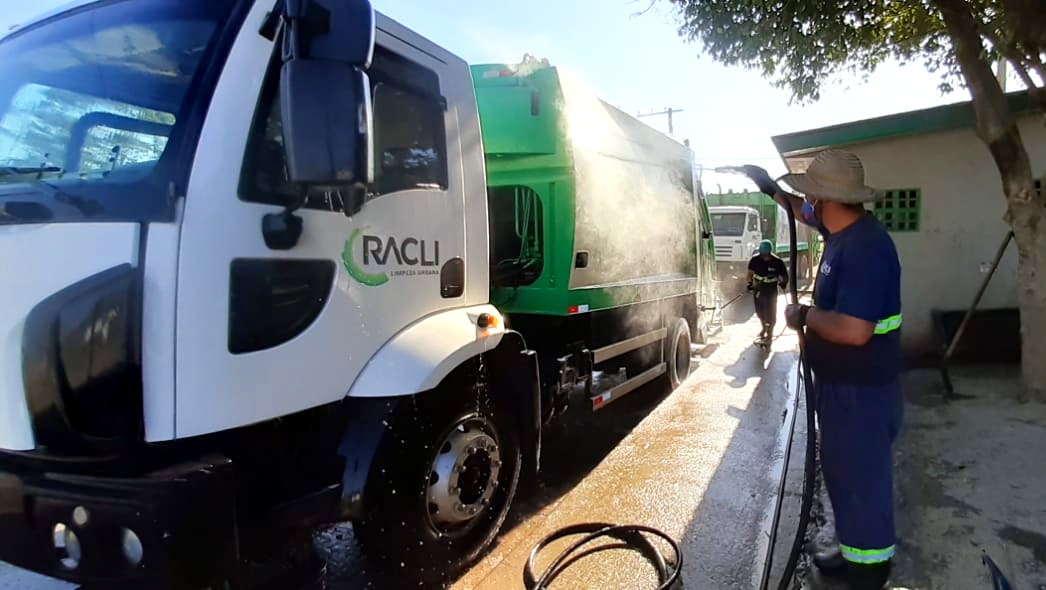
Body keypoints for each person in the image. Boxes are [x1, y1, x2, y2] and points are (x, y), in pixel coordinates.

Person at [742, 150, 903, 590]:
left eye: (810, 194)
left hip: (862, 393)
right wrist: (770, 189)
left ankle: (869, 570)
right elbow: (799, 212)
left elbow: (854, 330)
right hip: (840, 386)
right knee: (840, 472)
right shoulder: (840, 230)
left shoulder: (866, 248)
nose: (806, 202)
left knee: (861, 479)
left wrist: (804, 317)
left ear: (827, 199)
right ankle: (852, 547)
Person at [747, 239, 788, 345]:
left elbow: (784, 276)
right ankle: (764, 327)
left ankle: (770, 332)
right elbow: (749, 274)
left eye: (766, 255)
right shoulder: (755, 260)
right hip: (759, 289)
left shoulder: (778, 262)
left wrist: (783, 282)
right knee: (760, 312)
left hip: (771, 290)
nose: (765, 257)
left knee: (771, 313)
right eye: (763, 255)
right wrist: (750, 284)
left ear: (770, 252)